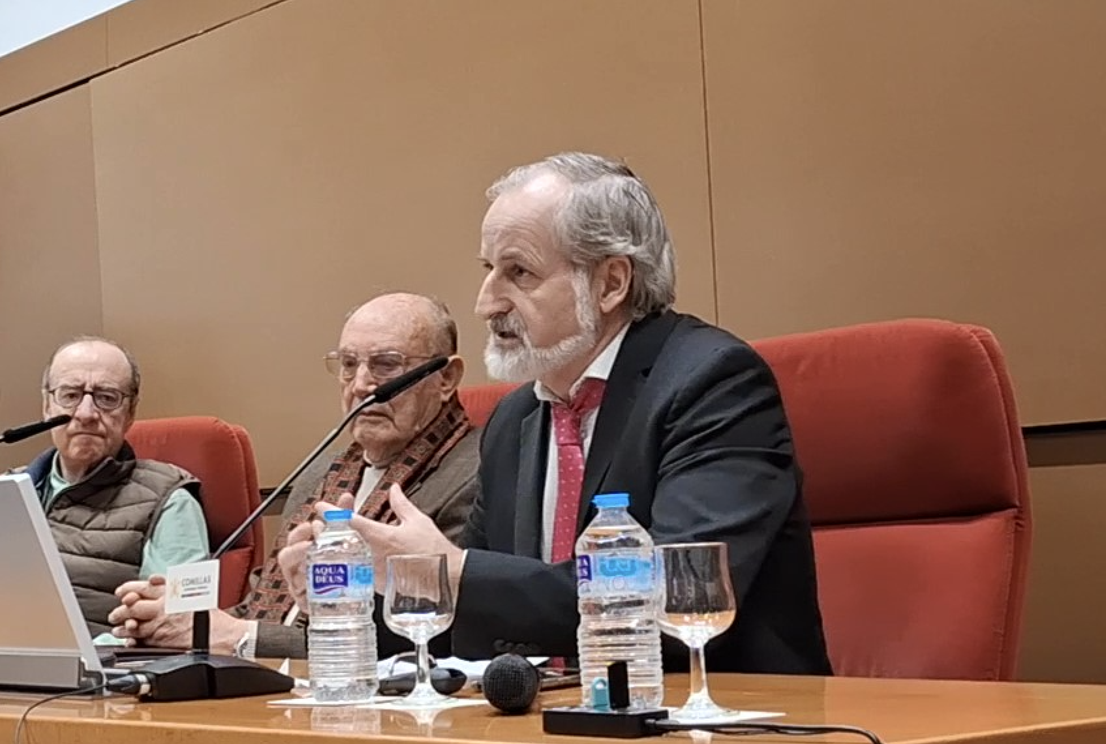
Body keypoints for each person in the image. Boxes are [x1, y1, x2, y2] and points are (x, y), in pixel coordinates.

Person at [279, 152, 832, 675]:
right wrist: (350, 593)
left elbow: (674, 597)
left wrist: (450, 571)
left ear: (611, 282)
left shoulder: (713, 383)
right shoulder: (515, 420)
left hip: (724, 716)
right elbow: (478, 624)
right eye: (489, 269)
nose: (485, 302)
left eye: (518, 272)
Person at [107, 292, 482, 659]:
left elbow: (426, 633)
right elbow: (261, 611)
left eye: (386, 364)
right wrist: (178, 620)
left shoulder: (477, 472)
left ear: (446, 378)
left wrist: (239, 638)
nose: (362, 384)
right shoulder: (323, 472)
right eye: (348, 364)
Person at [0, 337, 210, 647]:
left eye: (107, 398)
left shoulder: (172, 499)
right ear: (47, 406)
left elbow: (181, 629)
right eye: (70, 395)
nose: (86, 414)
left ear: (130, 413)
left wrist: (78, 652)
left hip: (102, 692)